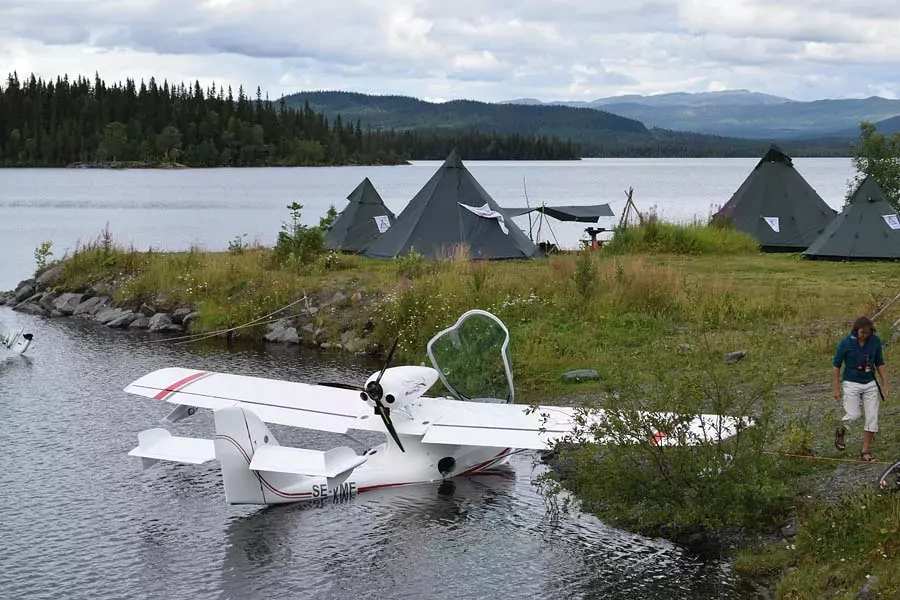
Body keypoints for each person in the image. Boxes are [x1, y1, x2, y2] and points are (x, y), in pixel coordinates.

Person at [832, 316, 889, 461]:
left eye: (867, 333)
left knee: (872, 417)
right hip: (851, 382)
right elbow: (836, 365)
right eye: (862, 332)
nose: (865, 335)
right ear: (856, 330)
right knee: (854, 415)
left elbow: (880, 363)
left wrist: (885, 384)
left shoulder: (875, 342)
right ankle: (841, 430)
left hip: (870, 382)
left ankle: (865, 451)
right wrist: (836, 388)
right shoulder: (845, 343)